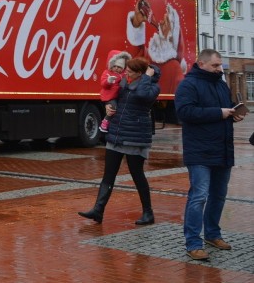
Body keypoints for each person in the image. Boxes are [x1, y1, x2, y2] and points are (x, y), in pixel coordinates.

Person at [174, 49, 244, 261]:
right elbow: (184, 113)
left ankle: (213, 234)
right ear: (201, 63)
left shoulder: (221, 84)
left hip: (222, 149)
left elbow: (224, 110)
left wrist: (233, 114)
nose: (219, 69)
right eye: (215, 65)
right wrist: (219, 113)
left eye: (219, 65)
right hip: (199, 151)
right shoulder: (188, 85)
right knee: (199, 196)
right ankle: (193, 243)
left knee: (218, 195)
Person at [79, 57, 160, 225]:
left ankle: (148, 213)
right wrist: (110, 104)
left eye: (130, 71)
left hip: (135, 137)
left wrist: (147, 77)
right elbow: (111, 93)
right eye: (127, 70)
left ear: (140, 73)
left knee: (137, 175)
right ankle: (98, 210)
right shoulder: (124, 82)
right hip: (117, 133)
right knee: (108, 175)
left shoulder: (152, 86)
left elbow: (143, 96)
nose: (126, 73)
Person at [99, 50, 131, 133]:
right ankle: (105, 122)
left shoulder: (124, 75)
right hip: (110, 97)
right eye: (115, 66)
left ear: (123, 68)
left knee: (118, 111)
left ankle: (113, 126)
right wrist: (108, 81)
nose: (117, 68)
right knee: (113, 109)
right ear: (111, 65)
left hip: (118, 97)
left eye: (119, 67)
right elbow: (103, 84)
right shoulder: (107, 73)